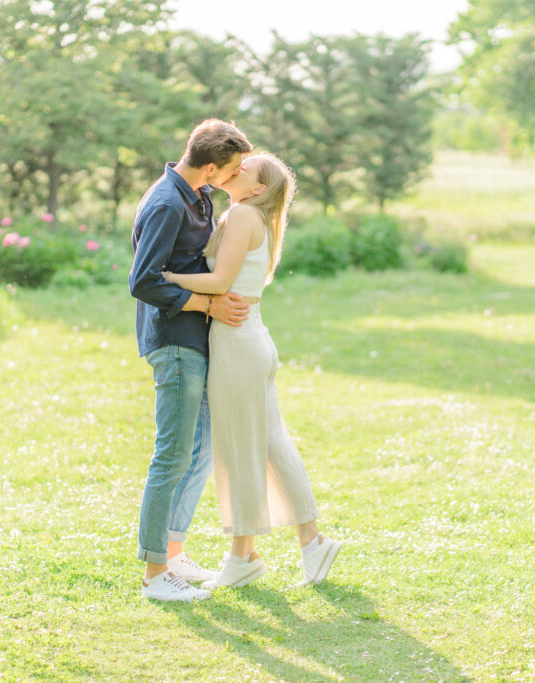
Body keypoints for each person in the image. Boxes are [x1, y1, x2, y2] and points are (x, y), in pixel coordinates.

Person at [163, 152, 341, 589]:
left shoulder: (243, 214)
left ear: (259, 188)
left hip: (238, 344)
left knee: (242, 450)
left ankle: (243, 556)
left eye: (247, 168)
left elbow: (221, 283)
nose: (236, 168)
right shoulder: (246, 214)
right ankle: (310, 541)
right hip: (249, 338)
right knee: (269, 444)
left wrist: (166, 278)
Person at [129, 119, 253, 602]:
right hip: (174, 340)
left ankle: (173, 553)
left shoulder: (197, 194)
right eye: (234, 168)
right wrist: (207, 304)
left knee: (199, 452)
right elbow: (144, 281)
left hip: (197, 340)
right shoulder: (165, 202)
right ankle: (155, 574)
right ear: (210, 165)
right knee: (173, 454)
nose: (237, 175)